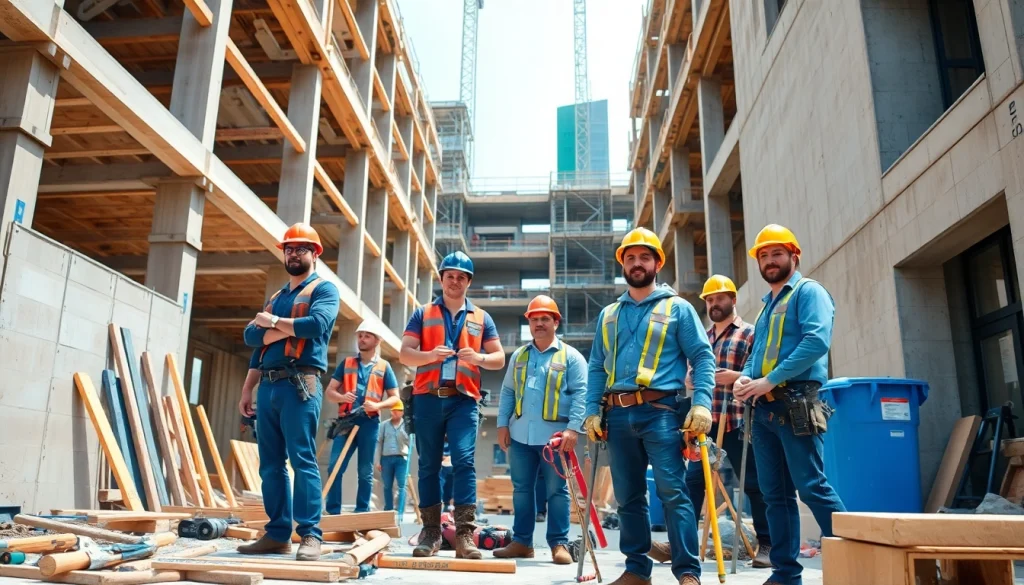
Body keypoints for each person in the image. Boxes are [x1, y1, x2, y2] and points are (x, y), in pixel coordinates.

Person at [582, 228, 716, 585]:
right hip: (618, 413)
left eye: (644, 257)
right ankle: (637, 570)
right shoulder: (609, 314)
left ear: (658, 262)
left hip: (661, 413)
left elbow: (702, 357)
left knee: (673, 492)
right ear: (622, 264)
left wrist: (702, 404)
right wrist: (592, 410)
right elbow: (597, 365)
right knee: (628, 497)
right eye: (630, 258)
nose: (637, 264)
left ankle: (687, 572)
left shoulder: (678, 308)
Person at [734, 224, 846, 585]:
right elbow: (756, 355)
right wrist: (745, 379)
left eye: (776, 254)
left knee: (812, 486)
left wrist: (770, 379)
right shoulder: (768, 305)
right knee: (774, 496)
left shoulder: (808, 292)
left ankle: (857, 562)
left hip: (796, 403)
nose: (769, 260)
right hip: (765, 411)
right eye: (763, 256)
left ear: (793, 257)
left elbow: (816, 342)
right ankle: (784, 575)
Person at [237, 223, 339, 561]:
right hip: (267, 385)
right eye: (289, 248)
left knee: (303, 459)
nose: (294, 253)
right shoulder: (277, 297)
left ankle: (310, 535)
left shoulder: (325, 290)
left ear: (314, 254)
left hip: (301, 384)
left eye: (301, 248)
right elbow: (251, 340)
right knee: (270, 464)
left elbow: (316, 326)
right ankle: (278, 533)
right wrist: (247, 388)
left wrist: (271, 324)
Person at [400, 251, 505, 559]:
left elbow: (498, 358)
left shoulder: (482, 318)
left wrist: (480, 358)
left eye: (461, 277)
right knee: (428, 465)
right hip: (428, 398)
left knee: (463, 461)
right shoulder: (422, 313)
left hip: (464, 400)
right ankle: (431, 533)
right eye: (450, 276)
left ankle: (464, 535)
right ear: (442, 279)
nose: (455, 281)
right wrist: (430, 355)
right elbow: (406, 353)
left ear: (468, 282)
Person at [661, 275, 771, 566]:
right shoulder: (702, 338)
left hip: (737, 421)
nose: (714, 304)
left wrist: (732, 378)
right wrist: (690, 378)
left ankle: (768, 545)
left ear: (733, 300)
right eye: (709, 300)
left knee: (753, 484)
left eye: (719, 298)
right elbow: (690, 374)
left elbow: (761, 372)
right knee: (693, 483)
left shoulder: (749, 333)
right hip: (705, 425)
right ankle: (679, 546)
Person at [493, 295, 587, 565]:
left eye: (545, 319)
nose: (539, 323)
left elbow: (582, 394)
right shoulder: (520, 356)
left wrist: (573, 429)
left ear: (556, 322)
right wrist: (502, 424)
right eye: (534, 319)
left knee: (557, 491)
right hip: (521, 436)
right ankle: (522, 542)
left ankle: (559, 543)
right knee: (522, 489)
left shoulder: (571, 357)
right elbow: (509, 391)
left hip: (556, 440)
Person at [323, 320, 400, 514]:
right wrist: (341, 397)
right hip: (346, 422)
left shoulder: (384, 367)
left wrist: (378, 405)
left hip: (369, 423)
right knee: (334, 467)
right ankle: (333, 512)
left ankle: (361, 513)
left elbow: (395, 398)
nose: (362, 339)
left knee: (365, 472)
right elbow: (330, 392)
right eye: (360, 335)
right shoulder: (347, 363)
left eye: (367, 336)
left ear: (377, 341)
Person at [376, 401, 410, 512]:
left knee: (401, 486)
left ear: (402, 412)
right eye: (392, 411)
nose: (394, 413)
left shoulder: (407, 425)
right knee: (387, 486)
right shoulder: (384, 425)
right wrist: (377, 461)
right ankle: (388, 509)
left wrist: (404, 434)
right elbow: (379, 442)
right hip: (386, 458)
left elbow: (411, 443)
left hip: (401, 458)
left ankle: (400, 510)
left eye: (396, 411)